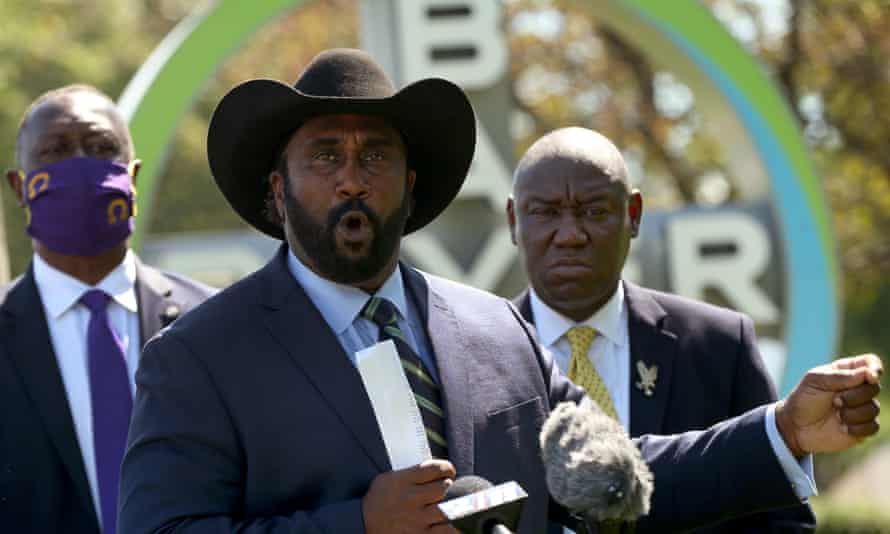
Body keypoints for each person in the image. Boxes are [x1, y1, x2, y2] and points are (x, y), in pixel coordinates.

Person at [118, 49, 882, 534]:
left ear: (411, 189)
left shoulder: (497, 330)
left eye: (375, 154)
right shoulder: (197, 358)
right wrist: (358, 526)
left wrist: (782, 430)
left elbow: (616, 476)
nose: (352, 176)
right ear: (278, 194)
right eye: (324, 155)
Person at [507, 127, 815, 532]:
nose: (570, 235)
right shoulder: (479, 359)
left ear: (632, 215)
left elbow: (781, 523)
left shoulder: (720, 345)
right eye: (545, 212)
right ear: (514, 221)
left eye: (594, 211)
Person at [0, 84, 216, 534]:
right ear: (19, 187)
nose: (79, 165)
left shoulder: (213, 323)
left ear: (131, 176)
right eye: (55, 151)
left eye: (101, 148)